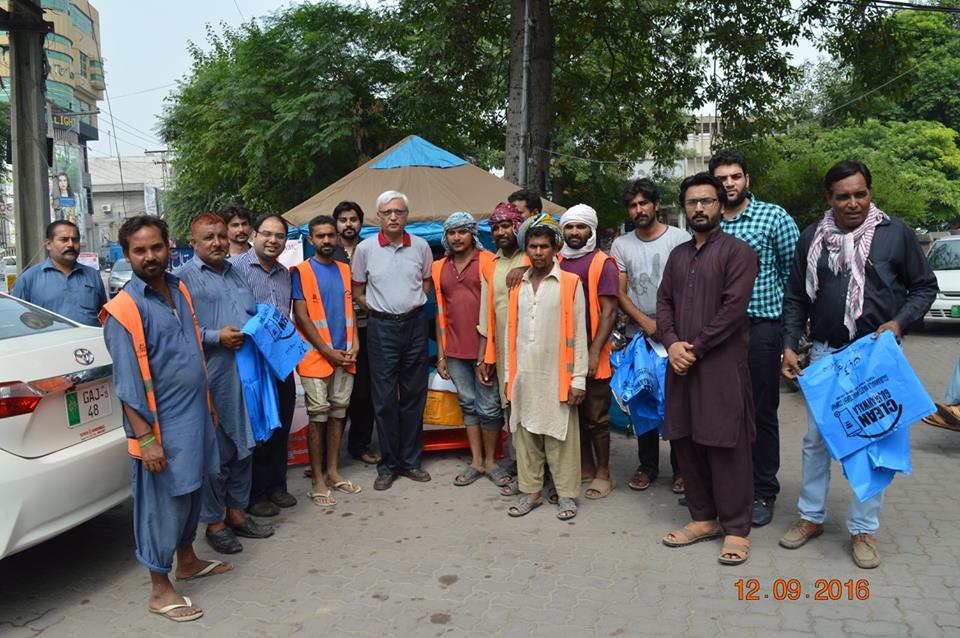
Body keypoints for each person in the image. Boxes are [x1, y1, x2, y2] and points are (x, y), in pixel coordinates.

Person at [779, 160, 937, 569]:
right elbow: (797, 296)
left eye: (860, 194)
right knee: (817, 441)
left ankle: (863, 529)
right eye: (843, 196)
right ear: (829, 199)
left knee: (874, 443)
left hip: (877, 356)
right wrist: (790, 345)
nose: (853, 203)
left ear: (870, 192)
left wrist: (899, 323)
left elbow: (924, 288)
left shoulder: (894, 233)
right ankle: (811, 517)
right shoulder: (813, 237)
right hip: (826, 356)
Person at [101, 215, 228, 623]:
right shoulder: (124, 309)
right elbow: (126, 384)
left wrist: (208, 404)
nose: (150, 256)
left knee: (192, 494)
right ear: (127, 255)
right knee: (161, 506)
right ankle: (159, 589)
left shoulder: (179, 289)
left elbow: (191, 350)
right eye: (139, 250)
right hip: (161, 428)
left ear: (169, 247)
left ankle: (187, 560)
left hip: (195, 417)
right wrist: (146, 438)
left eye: (156, 247)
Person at [657, 172, 758, 566]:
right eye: (692, 202)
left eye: (707, 201)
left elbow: (733, 310)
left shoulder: (738, 252)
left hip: (718, 366)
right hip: (680, 365)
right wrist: (671, 343)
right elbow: (663, 303)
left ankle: (735, 528)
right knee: (686, 440)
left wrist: (694, 348)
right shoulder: (678, 255)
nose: (699, 208)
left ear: (721, 205)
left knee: (725, 444)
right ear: (684, 208)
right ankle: (702, 519)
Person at [709, 149, 800, 527]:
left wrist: (791, 336)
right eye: (723, 178)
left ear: (747, 179)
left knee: (761, 412)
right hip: (717, 334)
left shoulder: (773, 217)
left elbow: (794, 275)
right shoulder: (708, 219)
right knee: (723, 410)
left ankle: (764, 490)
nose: (729, 183)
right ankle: (727, 489)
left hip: (762, 329)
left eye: (735, 176)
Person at [177, 213, 273, 554]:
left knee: (245, 447)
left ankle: (237, 514)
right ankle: (214, 524)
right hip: (211, 381)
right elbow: (178, 333)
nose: (217, 242)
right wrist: (216, 337)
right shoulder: (182, 280)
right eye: (209, 238)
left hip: (247, 377)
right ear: (194, 243)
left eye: (221, 236)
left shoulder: (236, 272)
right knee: (215, 455)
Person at [504, 215, 587, 521]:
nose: (538, 252)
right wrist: (507, 377)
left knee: (560, 438)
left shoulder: (570, 283)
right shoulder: (518, 284)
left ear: (555, 249)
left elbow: (579, 333)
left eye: (543, 247)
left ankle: (566, 495)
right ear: (526, 249)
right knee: (525, 436)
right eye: (533, 247)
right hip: (524, 374)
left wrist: (578, 379)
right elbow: (509, 334)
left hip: (557, 375)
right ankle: (532, 492)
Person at [610, 179, 689, 494]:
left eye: (644, 203)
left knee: (678, 402)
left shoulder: (679, 239)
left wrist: (668, 327)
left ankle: (683, 469)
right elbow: (619, 290)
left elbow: (688, 287)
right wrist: (643, 321)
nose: (639, 210)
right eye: (633, 205)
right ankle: (647, 466)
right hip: (640, 336)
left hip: (677, 335)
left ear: (656, 204)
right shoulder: (621, 245)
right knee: (642, 400)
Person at [351, 190, 434, 490]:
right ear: (378, 217)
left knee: (414, 395)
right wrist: (378, 311)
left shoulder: (422, 247)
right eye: (387, 212)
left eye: (399, 212)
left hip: (414, 326)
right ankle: (388, 465)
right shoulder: (365, 249)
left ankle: (411, 462)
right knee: (384, 399)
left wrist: (409, 306)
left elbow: (426, 283)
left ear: (407, 215)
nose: (393, 217)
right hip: (381, 328)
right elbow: (359, 290)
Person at [432, 212, 507, 488]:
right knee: (468, 405)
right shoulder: (439, 266)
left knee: (489, 406)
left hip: (485, 351)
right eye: (452, 232)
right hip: (454, 351)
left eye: (462, 231)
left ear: (472, 233)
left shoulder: (489, 261)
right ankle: (476, 461)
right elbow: (440, 314)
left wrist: (486, 355)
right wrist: (441, 354)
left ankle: (491, 462)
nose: (457, 237)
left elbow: (496, 311)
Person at [230, 214, 298, 515]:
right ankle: (255, 494)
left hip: (280, 361)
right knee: (257, 428)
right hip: (250, 364)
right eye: (267, 234)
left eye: (280, 236)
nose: (273, 240)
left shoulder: (285, 273)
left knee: (282, 422)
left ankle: (277, 486)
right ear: (253, 235)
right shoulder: (235, 269)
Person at [292, 215, 362, 506]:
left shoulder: (345, 270)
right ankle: (317, 479)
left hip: (344, 356)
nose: (326, 241)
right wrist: (327, 351)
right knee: (318, 415)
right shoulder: (301, 271)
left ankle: (333, 472)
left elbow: (351, 311)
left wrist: (355, 343)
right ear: (311, 240)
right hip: (315, 357)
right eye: (319, 236)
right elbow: (301, 316)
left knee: (338, 413)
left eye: (330, 235)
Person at [558, 204, 618, 499]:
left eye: (581, 227)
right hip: (564, 356)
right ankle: (584, 466)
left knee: (597, 416)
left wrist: (594, 351)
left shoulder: (602, 263)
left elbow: (609, 312)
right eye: (569, 227)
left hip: (593, 353)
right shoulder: (557, 260)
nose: (574, 232)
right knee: (574, 414)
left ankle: (604, 473)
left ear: (591, 230)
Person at [478, 202, 530, 494]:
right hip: (503, 354)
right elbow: (486, 314)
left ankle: (537, 469)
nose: (500, 232)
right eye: (495, 227)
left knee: (533, 409)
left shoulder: (534, 256)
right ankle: (522, 465)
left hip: (534, 350)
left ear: (517, 227)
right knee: (510, 410)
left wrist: (527, 266)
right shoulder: (491, 266)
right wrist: (484, 357)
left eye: (505, 226)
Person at [332, 201, 380, 464]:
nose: (348, 224)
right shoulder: (327, 250)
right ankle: (328, 454)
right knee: (336, 393)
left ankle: (359, 445)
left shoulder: (371, 250)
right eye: (343, 219)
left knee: (365, 392)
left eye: (353, 219)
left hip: (369, 329)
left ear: (361, 222)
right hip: (336, 334)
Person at [13, 220, 107, 326]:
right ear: (49, 244)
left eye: (75, 240)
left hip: (89, 341)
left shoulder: (92, 275)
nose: (71, 244)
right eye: (64, 240)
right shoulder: (29, 279)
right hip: (51, 341)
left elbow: (103, 315)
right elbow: (17, 319)